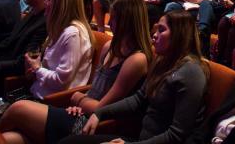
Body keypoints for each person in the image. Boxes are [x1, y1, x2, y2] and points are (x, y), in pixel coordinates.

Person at [0, 0, 153, 144]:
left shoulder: (137, 59)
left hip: (95, 124)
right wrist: (79, 102)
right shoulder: (110, 47)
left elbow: (102, 107)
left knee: (17, 108)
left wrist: (78, 98)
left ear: (128, 22)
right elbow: (95, 90)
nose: (110, 22)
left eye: (115, 18)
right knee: (9, 138)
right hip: (80, 112)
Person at [67, 10, 209, 144]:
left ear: (179, 35)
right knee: (71, 141)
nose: (154, 34)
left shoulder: (192, 72)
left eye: (161, 30)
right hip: (140, 139)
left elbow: (177, 134)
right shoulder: (162, 62)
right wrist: (99, 113)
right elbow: (138, 99)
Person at [25, 0, 94, 99]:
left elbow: (61, 82)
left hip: (56, 101)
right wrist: (34, 71)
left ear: (60, 5)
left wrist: (38, 69)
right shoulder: (60, 29)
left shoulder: (73, 34)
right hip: (38, 93)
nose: (46, 3)